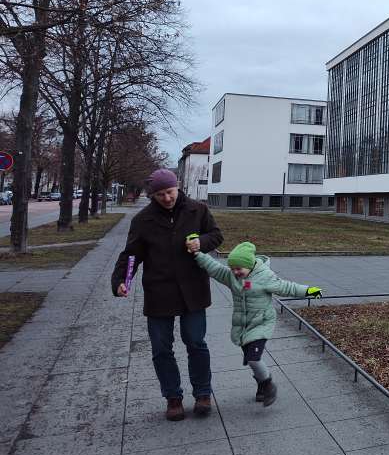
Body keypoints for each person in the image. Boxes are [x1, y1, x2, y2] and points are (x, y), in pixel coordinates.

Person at [111, 168, 223, 421]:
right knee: (161, 348)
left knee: (196, 342)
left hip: (193, 290)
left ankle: (203, 394)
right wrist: (121, 280)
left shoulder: (198, 210)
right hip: (159, 292)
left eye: (170, 192)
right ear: (152, 195)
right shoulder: (143, 220)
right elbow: (131, 255)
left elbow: (217, 235)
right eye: (160, 194)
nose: (167, 198)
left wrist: (201, 243)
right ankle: (173, 398)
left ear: (178, 187)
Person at [192, 241, 322, 406]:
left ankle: (268, 385)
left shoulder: (265, 277)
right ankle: (262, 387)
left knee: (253, 359)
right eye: (233, 268)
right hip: (243, 326)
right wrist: (198, 254)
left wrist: (312, 291)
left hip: (261, 323)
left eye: (239, 269)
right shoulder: (232, 276)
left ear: (250, 265)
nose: (236, 272)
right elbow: (215, 268)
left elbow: (287, 287)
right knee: (250, 358)